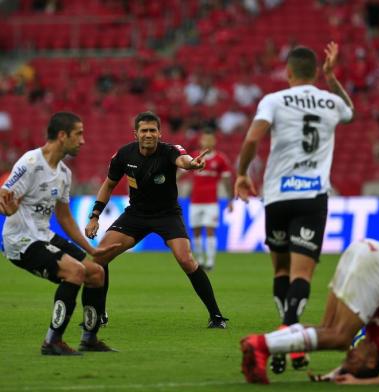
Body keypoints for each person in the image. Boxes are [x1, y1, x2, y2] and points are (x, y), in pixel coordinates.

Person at [235, 42, 354, 371]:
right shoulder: (330, 100)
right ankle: (290, 339)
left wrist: (242, 174)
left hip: (276, 197)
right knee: (302, 275)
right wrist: (332, 79)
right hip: (312, 197)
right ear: (316, 72)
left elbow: (252, 139)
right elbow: (350, 111)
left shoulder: (273, 100)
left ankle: (285, 338)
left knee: (281, 271)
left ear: (287, 72)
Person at [85, 111, 228, 328]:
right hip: (136, 214)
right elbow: (108, 185)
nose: (149, 134)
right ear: (136, 133)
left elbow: (183, 159)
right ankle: (99, 314)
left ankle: (216, 316)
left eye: (153, 130)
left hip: (167, 214)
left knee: (186, 259)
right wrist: (94, 216)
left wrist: (193, 164)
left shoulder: (169, 151)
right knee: (101, 256)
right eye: (144, 130)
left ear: (160, 133)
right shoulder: (124, 155)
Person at [0, 112, 119, 355]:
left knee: (96, 272)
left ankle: (89, 338)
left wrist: (91, 249)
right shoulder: (31, 162)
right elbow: (5, 194)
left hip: (43, 235)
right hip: (20, 240)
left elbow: (64, 217)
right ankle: (52, 341)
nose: (83, 141)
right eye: (79, 134)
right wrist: (7, 207)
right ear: (62, 136)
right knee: (74, 272)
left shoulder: (64, 173)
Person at [240, 238, 379, 385]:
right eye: (352, 360)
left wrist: (333, 376)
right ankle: (262, 345)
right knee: (340, 338)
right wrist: (358, 383)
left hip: (362, 249)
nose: (350, 354)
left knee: (327, 328)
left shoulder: (374, 339)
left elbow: (354, 364)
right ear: (371, 362)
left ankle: (261, 340)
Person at [188, 130, 233, 271]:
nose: (207, 142)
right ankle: (200, 260)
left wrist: (230, 200)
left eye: (210, 139)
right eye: (205, 139)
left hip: (211, 202)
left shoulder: (220, 159)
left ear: (214, 142)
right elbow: (181, 172)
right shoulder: (194, 156)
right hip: (195, 201)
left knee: (210, 230)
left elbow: (226, 180)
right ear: (201, 141)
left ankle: (210, 262)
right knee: (195, 231)